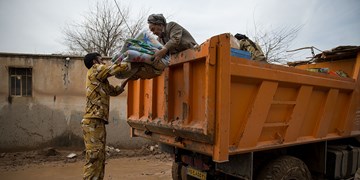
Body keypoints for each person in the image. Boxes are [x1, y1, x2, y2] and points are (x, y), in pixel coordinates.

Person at [81, 52, 130, 180]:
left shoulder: (100, 79)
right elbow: (114, 68)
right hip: (93, 121)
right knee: (94, 157)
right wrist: (131, 63)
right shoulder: (95, 69)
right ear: (94, 61)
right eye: (101, 59)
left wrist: (125, 82)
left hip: (98, 121)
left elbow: (112, 91)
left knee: (99, 158)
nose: (103, 62)